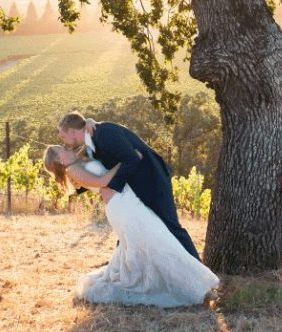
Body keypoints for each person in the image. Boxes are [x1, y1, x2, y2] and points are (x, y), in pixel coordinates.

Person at [43, 145, 219, 307]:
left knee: (160, 241)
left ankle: (194, 286)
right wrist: (126, 161)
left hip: (128, 202)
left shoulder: (78, 162)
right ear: (59, 160)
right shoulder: (74, 170)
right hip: (122, 207)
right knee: (159, 242)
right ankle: (194, 288)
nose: (66, 148)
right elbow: (104, 180)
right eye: (61, 150)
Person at [57, 111, 201, 260]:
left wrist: (110, 187)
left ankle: (200, 274)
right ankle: (125, 270)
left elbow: (132, 159)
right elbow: (102, 171)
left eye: (62, 136)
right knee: (128, 232)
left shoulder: (105, 133)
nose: (63, 141)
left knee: (171, 226)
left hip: (153, 181)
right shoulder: (90, 143)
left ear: (72, 131)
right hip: (132, 191)